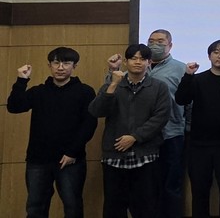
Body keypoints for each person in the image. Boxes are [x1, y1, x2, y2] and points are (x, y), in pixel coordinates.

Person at [7, 47, 98, 218]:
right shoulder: (39, 91)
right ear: (49, 65)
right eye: (56, 63)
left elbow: (89, 124)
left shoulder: (85, 91)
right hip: (38, 160)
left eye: (66, 63)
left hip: (70, 160)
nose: (60, 67)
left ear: (74, 66)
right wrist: (21, 80)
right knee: (35, 207)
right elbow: (14, 106)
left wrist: (73, 152)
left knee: (72, 207)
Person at [106, 30, 187, 218]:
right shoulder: (134, 69)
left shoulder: (181, 69)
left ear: (170, 45)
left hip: (171, 134)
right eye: (151, 41)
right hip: (141, 140)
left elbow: (189, 102)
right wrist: (111, 71)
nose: (155, 45)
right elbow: (110, 93)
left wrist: (186, 127)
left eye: (160, 41)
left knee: (171, 185)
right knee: (147, 189)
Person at [89, 44, 171, 218]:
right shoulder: (112, 84)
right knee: (113, 207)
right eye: (133, 58)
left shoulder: (159, 87)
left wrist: (135, 137)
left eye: (142, 59)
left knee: (146, 207)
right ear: (126, 62)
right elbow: (96, 111)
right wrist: (113, 85)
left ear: (149, 63)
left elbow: (161, 117)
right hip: (114, 156)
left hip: (145, 156)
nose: (138, 62)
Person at [175, 40, 220, 218]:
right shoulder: (197, 80)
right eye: (216, 52)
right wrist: (188, 76)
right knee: (199, 192)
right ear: (209, 56)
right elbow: (181, 99)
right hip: (199, 146)